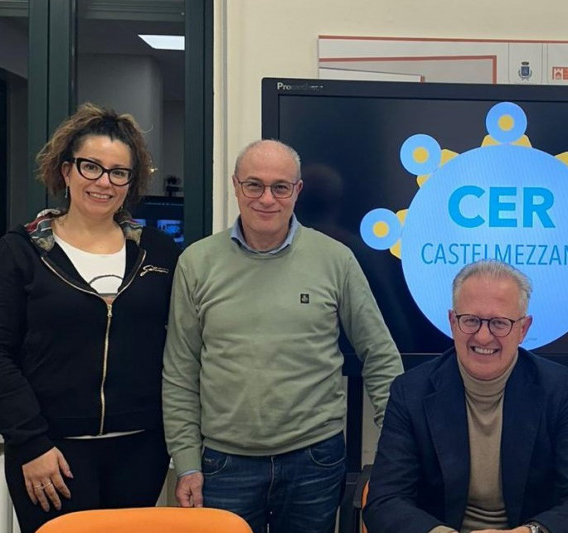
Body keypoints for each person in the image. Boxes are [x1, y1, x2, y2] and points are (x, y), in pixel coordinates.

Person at [162, 139, 403, 533]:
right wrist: (187, 463)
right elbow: (179, 371)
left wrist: (397, 450)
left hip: (315, 460)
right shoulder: (197, 263)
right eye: (254, 185)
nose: (266, 199)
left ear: (297, 190)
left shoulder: (336, 259)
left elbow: (379, 354)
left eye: (280, 187)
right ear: (236, 186)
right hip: (225, 464)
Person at [0, 103, 180, 533]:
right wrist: (30, 443)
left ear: (131, 182)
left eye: (118, 172)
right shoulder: (21, 251)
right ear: (66, 170)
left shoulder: (159, 252)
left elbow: (181, 348)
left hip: (141, 451)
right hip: (51, 455)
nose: (103, 182)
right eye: (91, 167)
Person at [364, 260, 568, 533]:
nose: (483, 337)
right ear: (452, 322)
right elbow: (384, 502)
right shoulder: (410, 391)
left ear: (523, 329)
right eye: (471, 320)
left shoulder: (557, 388)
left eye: (499, 323)